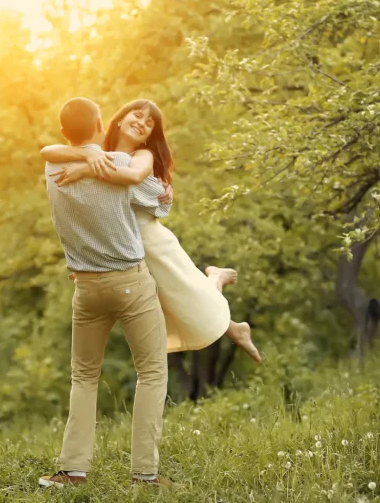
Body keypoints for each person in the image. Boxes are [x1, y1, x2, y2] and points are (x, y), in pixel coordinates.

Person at [41, 99, 261, 364]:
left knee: (189, 302)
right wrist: (88, 156)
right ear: (120, 118)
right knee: (180, 306)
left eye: (149, 124)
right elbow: (50, 151)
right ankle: (234, 325)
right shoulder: (100, 151)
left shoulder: (141, 156)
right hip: (123, 247)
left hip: (150, 241)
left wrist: (87, 169)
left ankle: (217, 279)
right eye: (137, 115)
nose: (142, 124)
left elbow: (132, 178)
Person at [38, 97, 173, 488]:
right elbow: (160, 199)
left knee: (83, 377)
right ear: (101, 124)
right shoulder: (123, 165)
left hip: (85, 286)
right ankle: (145, 474)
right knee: (151, 372)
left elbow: (51, 149)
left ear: (65, 132)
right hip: (130, 282)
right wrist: (160, 192)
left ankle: (73, 470)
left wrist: (82, 163)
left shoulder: (52, 165)